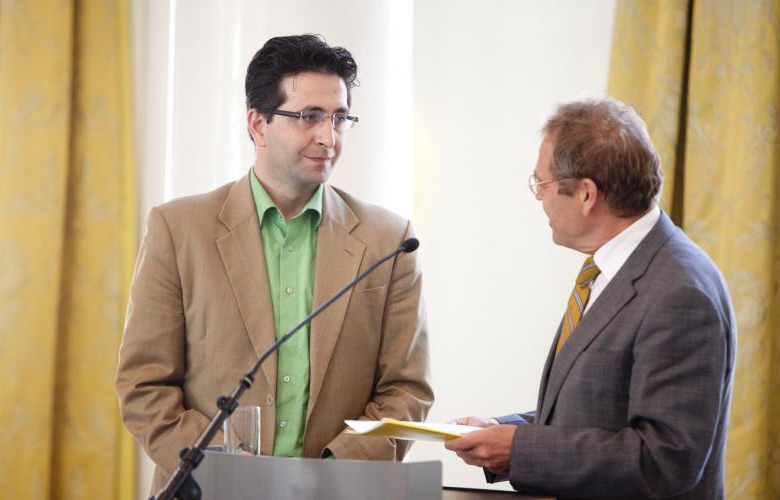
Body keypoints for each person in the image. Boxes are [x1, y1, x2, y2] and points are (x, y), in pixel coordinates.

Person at [116, 34, 433, 493]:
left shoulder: (390, 241)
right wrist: (228, 470)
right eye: (309, 117)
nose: (329, 136)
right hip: (210, 490)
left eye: (340, 118)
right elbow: (144, 386)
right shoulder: (178, 228)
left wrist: (325, 475)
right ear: (258, 124)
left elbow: (407, 393)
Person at [446, 98, 736, 499]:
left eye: (541, 184)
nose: (538, 198)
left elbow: (664, 460)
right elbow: (596, 415)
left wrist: (520, 449)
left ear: (585, 194)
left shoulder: (680, 291)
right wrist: (503, 433)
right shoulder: (611, 268)